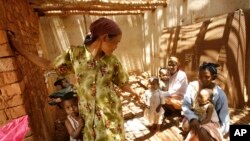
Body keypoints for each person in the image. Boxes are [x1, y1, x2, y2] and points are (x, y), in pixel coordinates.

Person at [10, 17, 141, 141]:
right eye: (116, 43)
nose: (116, 46)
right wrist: (19, 48)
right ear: (105, 38)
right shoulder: (75, 55)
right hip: (89, 115)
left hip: (111, 113)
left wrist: (134, 92)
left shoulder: (112, 60)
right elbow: (49, 65)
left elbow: (122, 83)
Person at [182, 62, 230, 141]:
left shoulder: (219, 94)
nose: (203, 79)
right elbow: (185, 105)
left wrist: (218, 133)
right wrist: (193, 118)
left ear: (213, 77)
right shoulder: (192, 87)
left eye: (207, 77)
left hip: (210, 122)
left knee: (202, 132)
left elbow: (224, 117)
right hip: (193, 118)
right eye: (200, 76)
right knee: (188, 126)